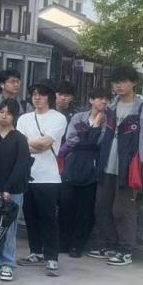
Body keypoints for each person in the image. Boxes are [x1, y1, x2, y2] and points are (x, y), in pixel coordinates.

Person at [89, 66, 143, 266]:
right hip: (107, 165)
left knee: (123, 210)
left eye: (123, 81)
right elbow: (104, 134)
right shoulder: (111, 107)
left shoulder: (142, 109)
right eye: (116, 82)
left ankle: (126, 250)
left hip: (128, 168)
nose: (118, 86)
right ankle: (110, 244)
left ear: (133, 83)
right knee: (101, 207)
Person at [16, 79, 67, 276]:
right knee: (30, 216)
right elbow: (19, 145)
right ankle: (35, 252)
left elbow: (46, 144)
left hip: (48, 176)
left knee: (48, 218)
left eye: (42, 94)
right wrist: (34, 145)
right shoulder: (24, 118)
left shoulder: (58, 118)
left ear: (50, 97)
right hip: (28, 174)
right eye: (34, 94)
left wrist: (30, 144)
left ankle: (51, 257)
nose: (37, 97)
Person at [0, 99, 30, 282]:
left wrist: (7, 188)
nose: (4, 116)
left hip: (14, 190)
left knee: (8, 228)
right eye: (1, 112)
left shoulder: (19, 138)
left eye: (9, 113)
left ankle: (7, 263)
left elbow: (21, 165)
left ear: (14, 116)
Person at [59, 88, 108, 258]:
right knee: (66, 205)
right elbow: (71, 139)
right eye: (100, 98)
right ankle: (63, 241)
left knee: (85, 210)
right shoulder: (78, 117)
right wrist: (90, 135)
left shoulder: (107, 121)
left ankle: (77, 245)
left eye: (106, 99)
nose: (103, 102)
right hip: (73, 165)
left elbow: (100, 142)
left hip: (92, 167)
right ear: (91, 100)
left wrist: (94, 129)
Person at [0, 69, 32, 135]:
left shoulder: (26, 107)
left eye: (18, 81)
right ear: (2, 85)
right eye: (12, 82)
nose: (16, 84)